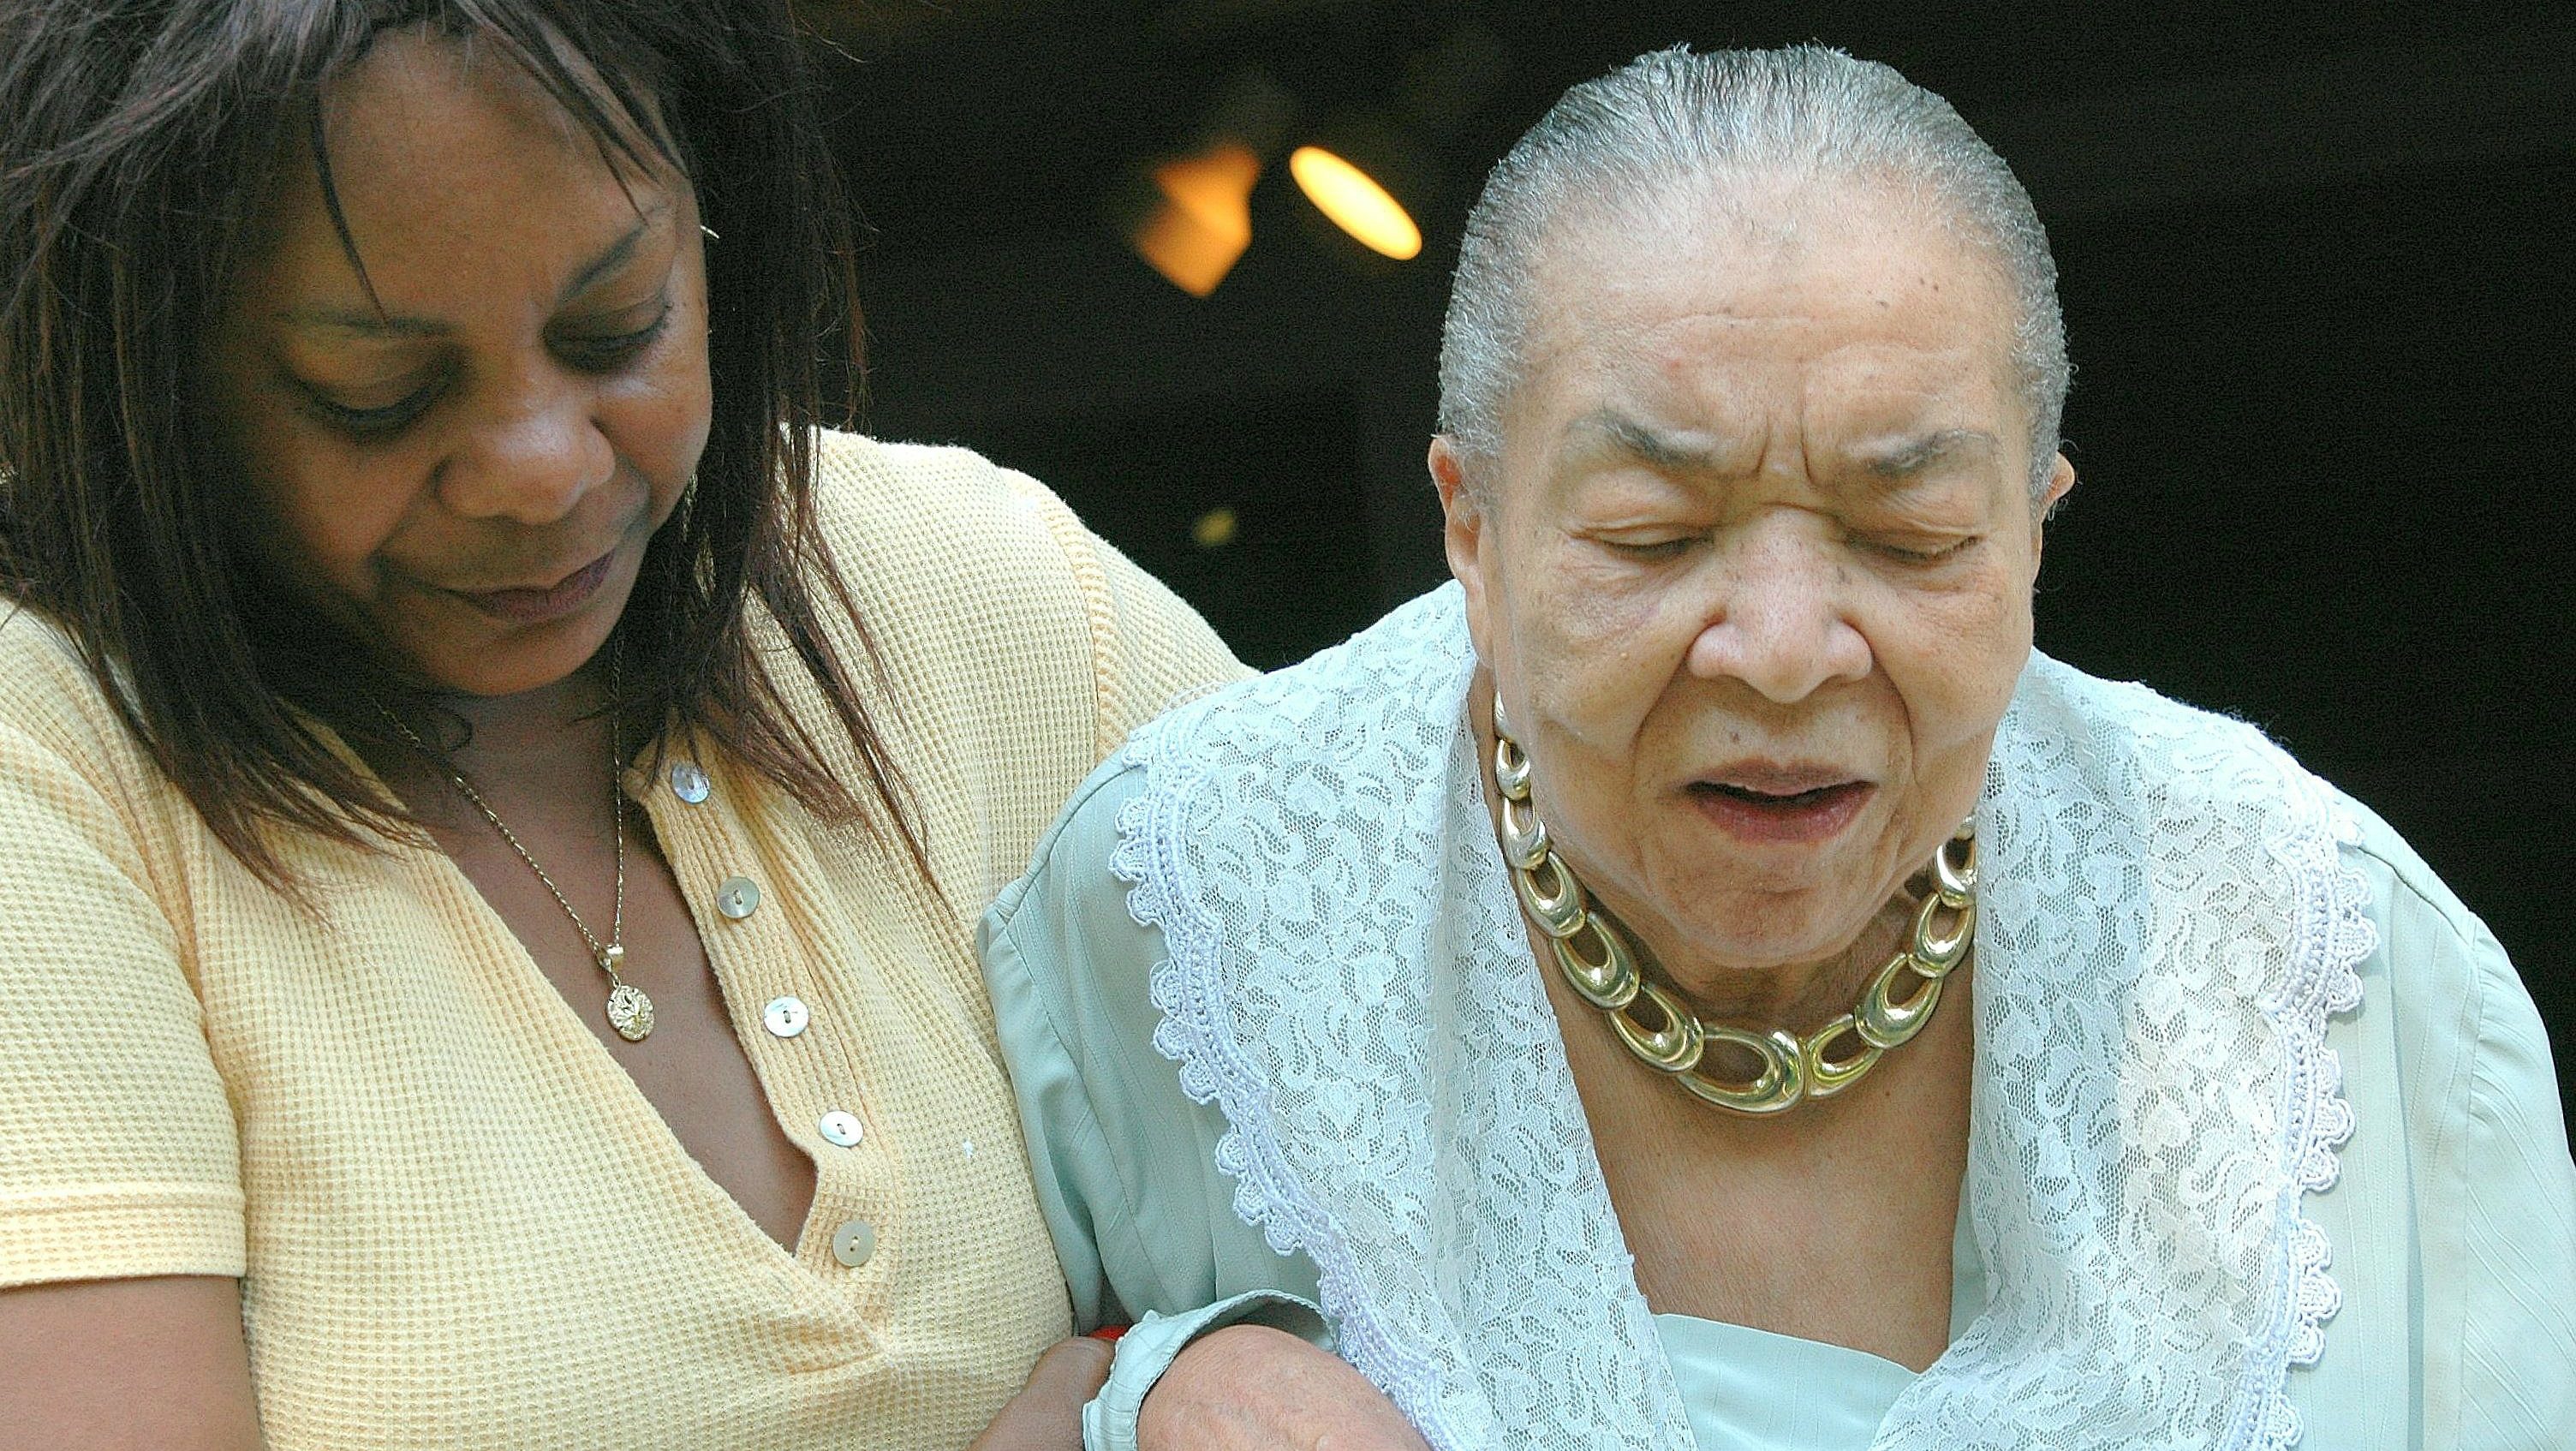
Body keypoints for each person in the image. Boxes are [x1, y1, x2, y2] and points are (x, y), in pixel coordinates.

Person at [981, 45, 2576, 1451]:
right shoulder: (1174, 920)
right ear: (1471, 526)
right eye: (1656, 534)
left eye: (1911, 533)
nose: (1788, 647)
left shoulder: (2351, 985)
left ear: (2035, 526)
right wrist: (1140, 1392)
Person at [0, 3, 1239, 1447]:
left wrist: (1222, 1362)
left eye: (616, 327)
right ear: (145, 376)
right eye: (378, 395)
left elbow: (1446, 1208)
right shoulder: (53, 770)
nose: (542, 467)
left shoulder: (992, 597)